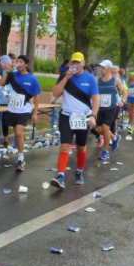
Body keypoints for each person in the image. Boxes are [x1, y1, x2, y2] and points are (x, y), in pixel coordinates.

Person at [49, 52, 99, 188]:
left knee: (81, 147)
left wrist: (93, 116)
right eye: (74, 62)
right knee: (65, 146)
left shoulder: (90, 78)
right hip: (66, 115)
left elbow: (95, 99)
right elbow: (55, 93)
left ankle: (79, 171)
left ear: (83, 63)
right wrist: (66, 78)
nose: (76, 65)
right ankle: (60, 176)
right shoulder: (65, 75)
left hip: (83, 117)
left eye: (78, 62)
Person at [0, 55, 40, 171]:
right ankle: (20, 155)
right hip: (12, 109)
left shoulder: (32, 79)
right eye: (17, 61)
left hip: (24, 109)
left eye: (21, 61)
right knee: (16, 134)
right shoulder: (12, 75)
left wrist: (35, 113)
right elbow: (0, 83)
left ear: (25, 65)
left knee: (19, 133)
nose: (18, 63)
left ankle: (21, 158)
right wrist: (8, 71)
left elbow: (36, 96)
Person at [95, 60, 126, 159]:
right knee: (100, 130)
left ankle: (105, 151)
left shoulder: (115, 80)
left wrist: (122, 101)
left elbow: (124, 92)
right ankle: (114, 137)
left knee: (105, 128)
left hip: (111, 107)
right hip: (100, 108)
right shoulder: (97, 80)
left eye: (104, 67)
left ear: (109, 68)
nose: (102, 69)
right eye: (101, 67)